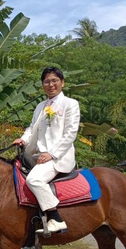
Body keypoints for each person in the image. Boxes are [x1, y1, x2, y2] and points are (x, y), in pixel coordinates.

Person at [12, 67, 80, 234]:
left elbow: (70, 133)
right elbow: (32, 128)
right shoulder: (40, 106)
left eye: (54, 80)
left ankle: (56, 218)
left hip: (58, 157)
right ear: (43, 85)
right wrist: (23, 139)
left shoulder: (70, 104)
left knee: (33, 180)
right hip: (37, 155)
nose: (51, 84)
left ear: (62, 83)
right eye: (47, 81)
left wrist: (52, 154)